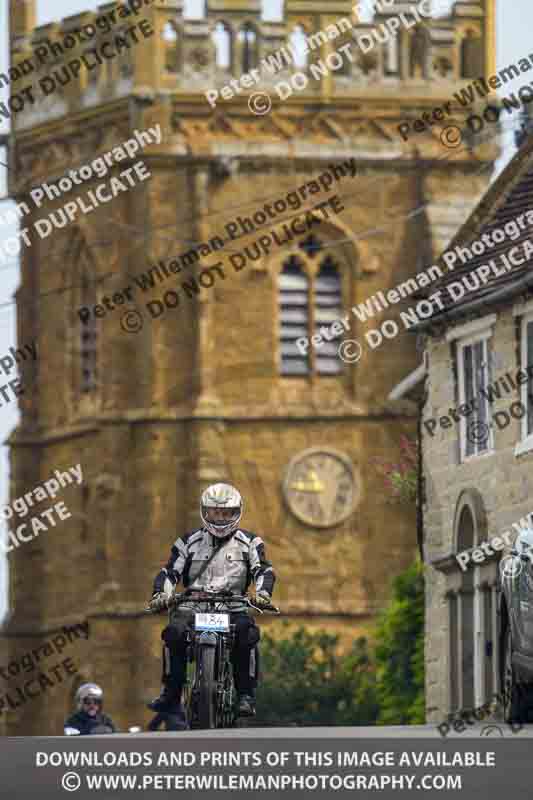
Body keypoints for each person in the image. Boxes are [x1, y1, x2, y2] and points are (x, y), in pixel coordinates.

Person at [148, 483, 276, 718]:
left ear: (237, 513)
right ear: (205, 512)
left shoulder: (251, 543)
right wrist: (161, 595)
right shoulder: (187, 542)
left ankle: (245, 695)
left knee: (247, 634)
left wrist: (263, 594)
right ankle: (171, 692)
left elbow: (263, 571)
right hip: (193, 605)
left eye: (226, 513)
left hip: (233, 606)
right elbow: (170, 572)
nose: (220, 518)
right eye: (215, 512)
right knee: (173, 633)